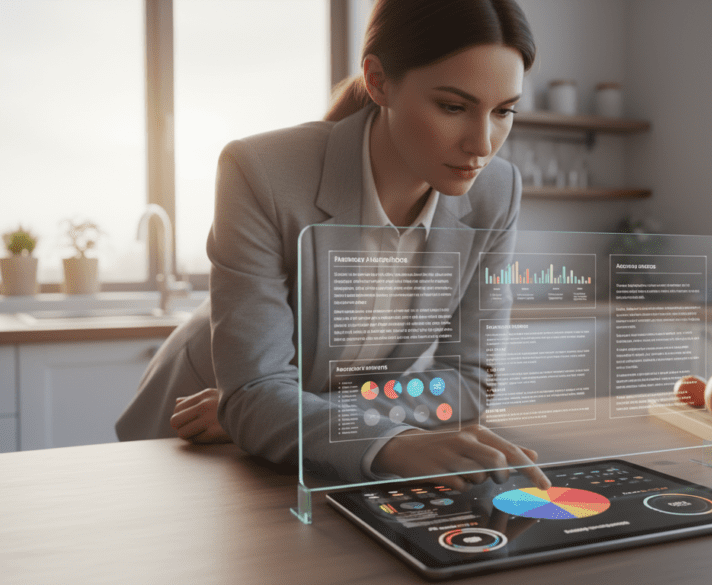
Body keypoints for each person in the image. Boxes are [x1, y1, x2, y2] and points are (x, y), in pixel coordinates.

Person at [116, 0, 550, 491]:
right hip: (193, 443)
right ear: (379, 80)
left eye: (503, 111)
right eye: (453, 107)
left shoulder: (497, 191)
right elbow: (255, 387)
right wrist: (386, 440)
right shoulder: (260, 170)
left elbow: (471, 382)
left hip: (301, 443)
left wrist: (272, 409)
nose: (482, 144)